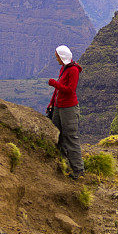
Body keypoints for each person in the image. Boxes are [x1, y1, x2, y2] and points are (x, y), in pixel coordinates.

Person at [46, 45, 85, 179]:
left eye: (57, 56)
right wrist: (51, 103)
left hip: (69, 108)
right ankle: (63, 164)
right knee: (59, 136)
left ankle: (78, 170)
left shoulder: (73, 70)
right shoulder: (64, 68)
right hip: (58, 106)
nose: (56, 58)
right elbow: (58, 91)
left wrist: (54, 83)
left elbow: (70, 89)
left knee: (70, 137)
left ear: (62, 57)